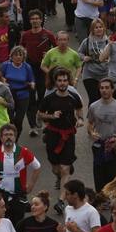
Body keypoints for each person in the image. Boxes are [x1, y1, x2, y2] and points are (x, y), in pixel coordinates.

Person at [38, 69, 84, 205]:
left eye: (65, 80)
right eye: (59, 80)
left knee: (65, 169)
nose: (62, 83)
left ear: (68, 81)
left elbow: (79, 110)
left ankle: (60, 201)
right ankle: (60, 175)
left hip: (68, 136)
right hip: (53, 135)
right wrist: (52, 116)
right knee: (56, 168)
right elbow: (40, 114)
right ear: (55, 82)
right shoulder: (49, 99)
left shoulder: (74, 97)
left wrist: (80, 119)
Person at [87, 79, 116, 191]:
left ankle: (111, 199)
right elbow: (90, 123)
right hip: (98, 145)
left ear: (112, 89)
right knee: (98, 174)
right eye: (102, 88)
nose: (104, 90)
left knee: (112, 175)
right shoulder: (93, 106)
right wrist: (91, 132)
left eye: (107, 88)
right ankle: (100, 198)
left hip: (113, 146)